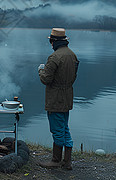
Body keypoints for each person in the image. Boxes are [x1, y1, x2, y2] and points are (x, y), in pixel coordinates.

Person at [38, 28, 79, 169]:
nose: (50, 44)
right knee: (64, 128)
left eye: (51, 41)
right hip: (67, 97)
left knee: (57, 129)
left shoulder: (54, 57)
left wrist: (40, 70)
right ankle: (67, 161)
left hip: (55, 99)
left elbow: (46, 79)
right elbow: (74, 77)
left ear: (53, 41)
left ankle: (55, 160)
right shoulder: (72, 55)